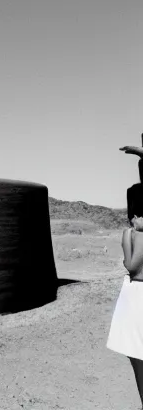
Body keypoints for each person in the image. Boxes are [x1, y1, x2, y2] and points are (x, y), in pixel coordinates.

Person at [106, 146, 143, 406]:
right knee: (136, 352)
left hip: (135, 293)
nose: (134, 218)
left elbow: (130, 265)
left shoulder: (132, 234)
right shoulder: (134, 234)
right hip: (135, 295)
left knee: (137, 353)